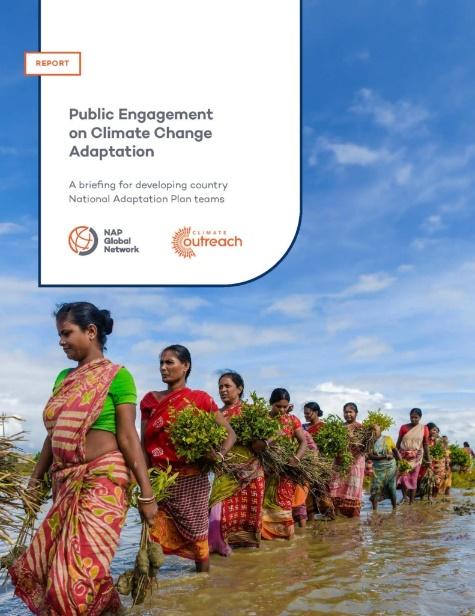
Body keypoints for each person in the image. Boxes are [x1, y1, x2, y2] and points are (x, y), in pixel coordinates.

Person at [9, 302, 157, 615]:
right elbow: (53, 435)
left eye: (67, 333)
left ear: (91, 332)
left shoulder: (118, 376)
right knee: (50, 570)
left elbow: (129, 436)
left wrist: (147, 493)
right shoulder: (63, 377)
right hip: (64, 483)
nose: (61, 341)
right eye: (59, 335)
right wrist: (35, 481)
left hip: (103, 481)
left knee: (70, 581)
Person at [140, 345, 235, 572]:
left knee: (198, 539)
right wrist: (144, 485)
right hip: (160, 481)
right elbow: (143, 445)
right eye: (161, 363)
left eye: (169, 362)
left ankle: (202, 589)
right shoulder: (150, 401)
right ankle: (150, 596)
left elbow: (230, 434)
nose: (163, 368)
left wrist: (217, 455)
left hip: (193, 481)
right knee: (152, 539)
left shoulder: (200, 399)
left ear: (186, 366)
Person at [209, 372, 265, 555]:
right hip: (224, 473)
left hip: (251, 474)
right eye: (220, 387)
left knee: (247, 521)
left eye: (227, 386)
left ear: (239, 389)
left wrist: (262, 442)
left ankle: (244, 571)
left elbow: (267, 439)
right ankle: (216, 555)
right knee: (216, 514)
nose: (223, 390)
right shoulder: (216, 414)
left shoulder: (251, 412)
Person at [261, 388, 307, 539]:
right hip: (266, 470)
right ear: (271, 404)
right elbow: (256, 445)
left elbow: (303, 442)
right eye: (278, 406)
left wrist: (296, 458)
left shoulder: (292, 420)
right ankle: (268, 539)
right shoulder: (262, 420)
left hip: (287, 470)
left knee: (284, 504)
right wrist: (272, 438)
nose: (281, 410)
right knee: (265, 505)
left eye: (284, 407)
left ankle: (287, 540)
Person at [329, 402, 366, 517]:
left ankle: (353, 519)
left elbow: (363, 447)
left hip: (355, 463)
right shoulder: (339, 427)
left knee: (352, 490)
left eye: (351, 412)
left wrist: (351, 437)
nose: (348, 414)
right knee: (335, 489)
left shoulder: (361, 428)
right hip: (339, 462)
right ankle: (337, 517)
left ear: (356, 413)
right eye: (346, 412)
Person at [396, 408, 431, 504]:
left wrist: (428, 459)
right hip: (403, 456)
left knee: (413, 478)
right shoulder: (404, 427)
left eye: (416, 417)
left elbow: (425, 444)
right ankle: (404, 497)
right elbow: (398, 443)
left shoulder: (424, 428)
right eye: (412, 417)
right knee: (403, 478)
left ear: (420, 417)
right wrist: (396, 455)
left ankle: (411, 502)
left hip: (417, 457)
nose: (413, 419)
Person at [368, 424, 401, 511]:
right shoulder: (370, 442)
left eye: (375, 430)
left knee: (392, 488)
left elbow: (395, 451)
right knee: (376, 488)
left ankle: (394, 509)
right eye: (371, 430)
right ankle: (374, 511)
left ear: (381, 429)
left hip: (391, 467)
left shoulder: (388, 439)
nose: (373, 432)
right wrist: (384, 456)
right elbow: (370, 456)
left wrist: (401, 462)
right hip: (378, 468)